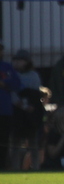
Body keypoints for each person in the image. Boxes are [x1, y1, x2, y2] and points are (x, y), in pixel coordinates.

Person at [10, 49, 45, 170]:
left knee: (33, 144)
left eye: (21, 60)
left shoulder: (34, 76)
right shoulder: (13, 75)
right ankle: (14, 168)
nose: (17, 63)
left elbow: (34, 96)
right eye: (16, 60)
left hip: (30, 116)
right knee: (15, 145)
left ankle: (36, 168)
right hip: (17, 115)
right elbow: (12, 93)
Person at [0, 41, 23, 169]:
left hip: (4, 111)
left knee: (3, 142)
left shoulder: (7, 67)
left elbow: (17, 84)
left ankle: (2, 168)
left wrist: (4, 84)